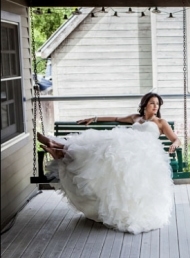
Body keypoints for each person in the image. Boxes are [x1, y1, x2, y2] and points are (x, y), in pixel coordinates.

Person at [37, 92, 179, 234]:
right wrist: (94, 118)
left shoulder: (160, 122)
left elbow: (176, 139)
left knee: (108, 152)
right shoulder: (135, 118)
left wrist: (174, 145)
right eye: (152, 103)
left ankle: (60, 150)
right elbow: (116, 118)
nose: (155, 106)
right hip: (127, 147)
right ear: (145, 105)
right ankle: (59, 147)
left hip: (143, 152)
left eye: (157, 104)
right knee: (100, 147)